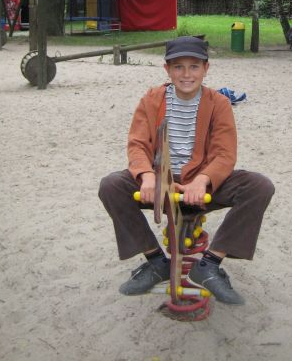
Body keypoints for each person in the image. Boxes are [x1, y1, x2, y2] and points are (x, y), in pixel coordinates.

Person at [98, 36, 275, 305]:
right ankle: (155, 260)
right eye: (178, 67)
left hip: (202, 184)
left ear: (206, 69)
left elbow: (224, 153)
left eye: (194, 66)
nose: (186, 74)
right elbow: (138, 144)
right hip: (162, 180)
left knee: (259, 186)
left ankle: (210, 262)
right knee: (111, 186)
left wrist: (203, 180)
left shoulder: (219, 103)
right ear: (167, 69)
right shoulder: (152, 100)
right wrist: (147, 176)